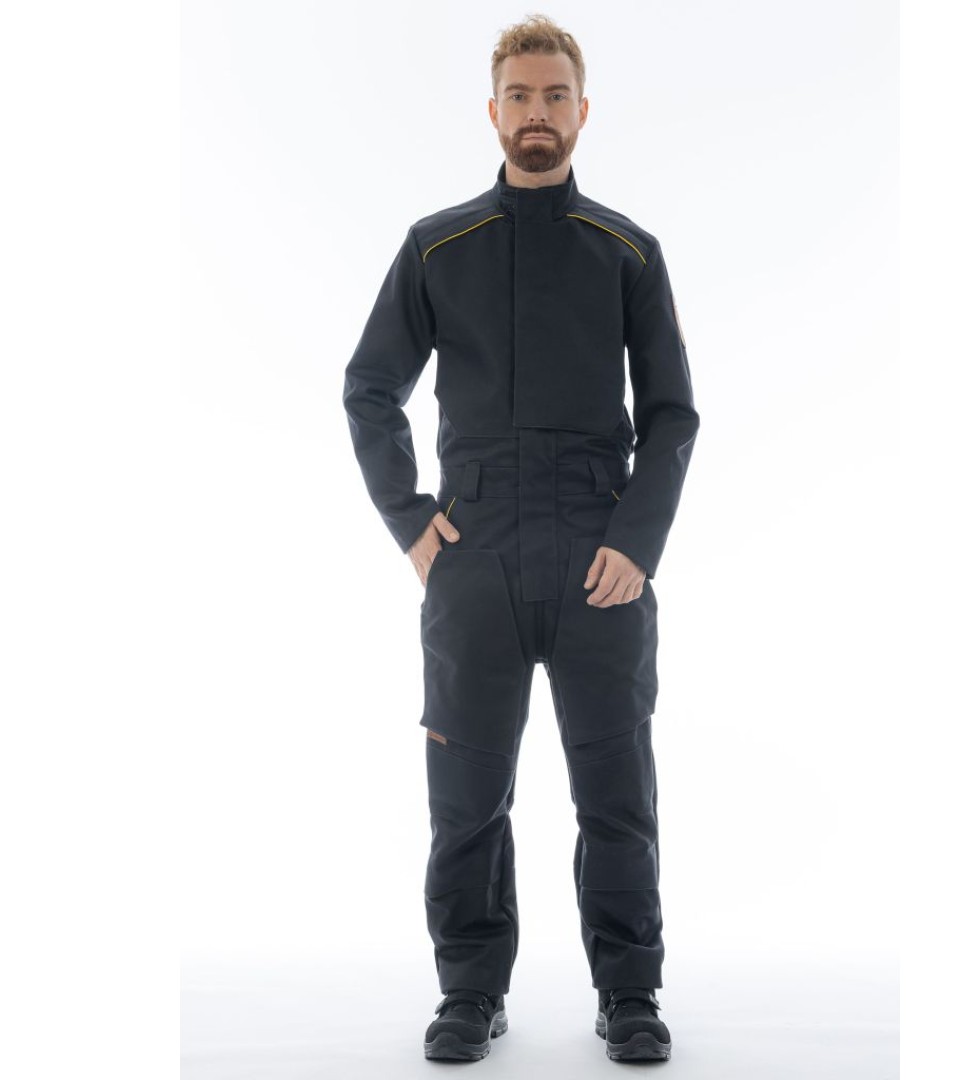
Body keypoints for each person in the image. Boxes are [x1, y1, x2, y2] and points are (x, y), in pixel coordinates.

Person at [342, 14, 699, 1064]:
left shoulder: (628, 252)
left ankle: (629, 991)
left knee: (616, 794)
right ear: (492, 111)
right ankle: (469, 991)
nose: (536, 114)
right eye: (519, 96)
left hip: (600, 555)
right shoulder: (436, 247)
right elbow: (369, 389)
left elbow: (672, 414)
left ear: (582, 112)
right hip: (476, 555)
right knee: (465, 798)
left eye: (554, 97)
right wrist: (413, 523)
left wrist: (638, 541)